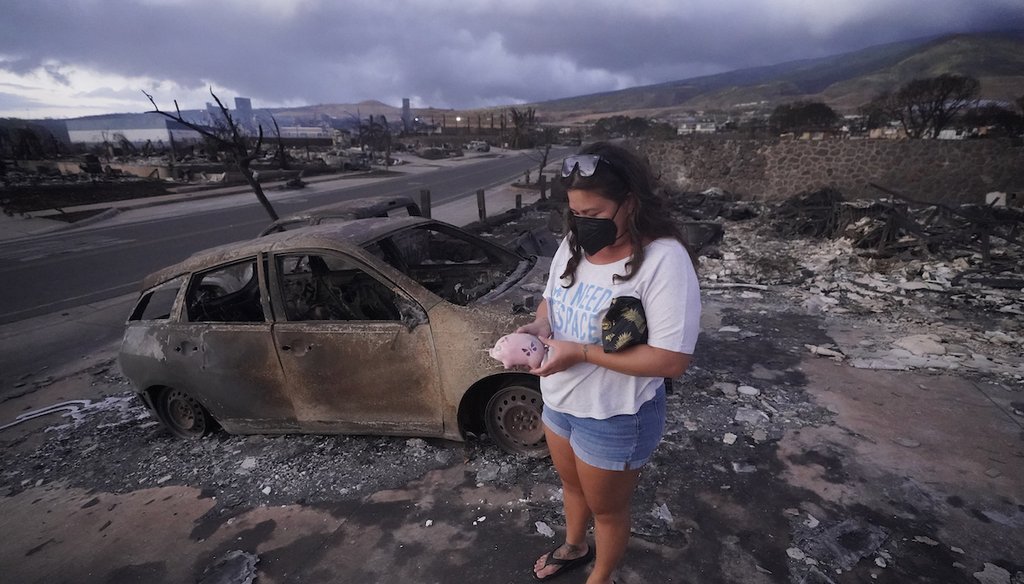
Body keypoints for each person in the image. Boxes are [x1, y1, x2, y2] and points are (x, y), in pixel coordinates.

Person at [517, 142, 701, 583]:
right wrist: (541, 327)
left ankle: (599, 577)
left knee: (609, 509)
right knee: (572, 486)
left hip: (615, 413)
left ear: (631, 203)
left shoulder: (664, 260)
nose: (583, 225)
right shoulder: (572, 244)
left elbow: (672, 360)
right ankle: (575, 545)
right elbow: (551, 301)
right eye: (576, 213)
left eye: (595, 215)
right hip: (560, 400)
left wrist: (580, 353)